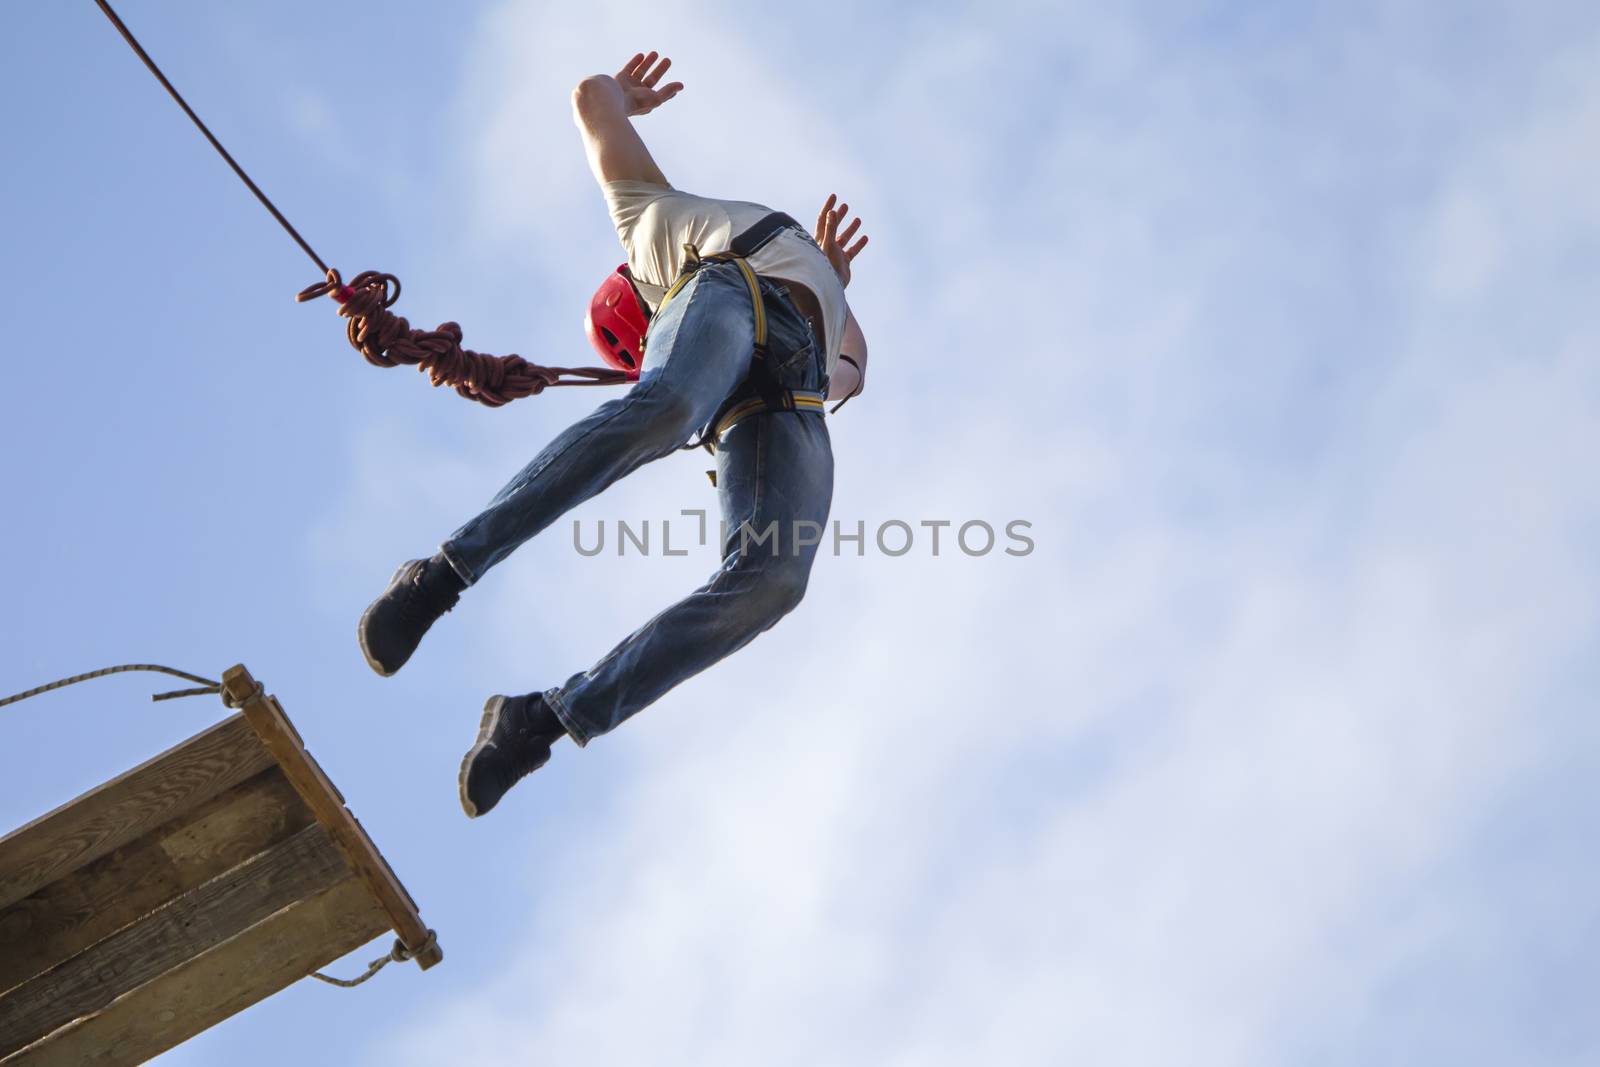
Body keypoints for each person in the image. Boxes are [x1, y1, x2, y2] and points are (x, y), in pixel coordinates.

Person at [355, 51, 870, 818]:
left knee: (772, 581)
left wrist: (620, 96)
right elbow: (851, 369)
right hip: (767, 380)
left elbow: (588, 103)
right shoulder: (685, 298)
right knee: (669, 409)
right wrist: (829, 288)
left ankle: (537, 716)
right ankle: (441, 577)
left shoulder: (645, 219)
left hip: (763, 342)